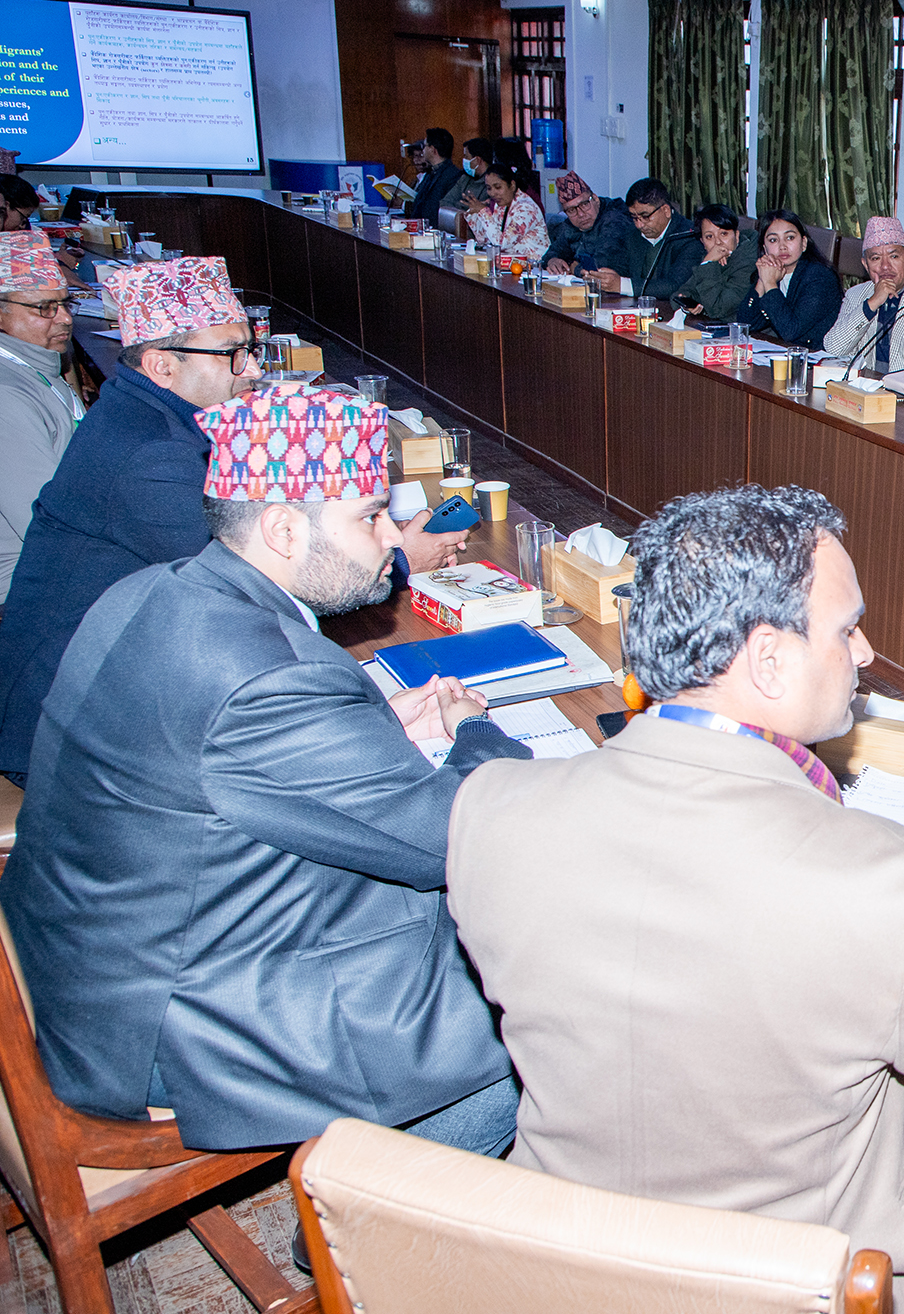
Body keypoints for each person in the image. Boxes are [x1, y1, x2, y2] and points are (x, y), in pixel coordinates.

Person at [447, 483, 904, 1312]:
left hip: (558, 1270)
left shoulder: (489, 810)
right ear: (767, 659)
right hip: (789, 1284)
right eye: (846, 628)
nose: (865, 652)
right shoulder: (893, 881)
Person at [0, 383, 528, 1154]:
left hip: (95, 960)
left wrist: (376, 731)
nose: (389, 538)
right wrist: (476, 729)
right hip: (167, 1022)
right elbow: (456, 839)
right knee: (538, 993)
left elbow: (218, 772)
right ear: (283, 528)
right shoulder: (265, 674)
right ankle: (357, 1238)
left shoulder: (153, 589)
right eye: (369, 516)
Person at [0, 257, 463, 785]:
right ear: (161, 366)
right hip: (72, 733)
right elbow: (264, 582)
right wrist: (400, 557)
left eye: (251, 349)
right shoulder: (150, 457)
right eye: (232, 355)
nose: (252, 370)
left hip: (121, 684)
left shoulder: (145, 413)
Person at [0, 233, 86, 605]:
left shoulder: (36, 363)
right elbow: (46, 526)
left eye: (65, 304)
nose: (64, 319)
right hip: (29, 580)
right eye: (44, 308)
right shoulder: (7, 397)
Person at [823, 216, 904, 375]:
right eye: (876, 258)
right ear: (865, 264)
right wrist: (871, 304)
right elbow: (833, 350)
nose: (885, 266)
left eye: (894, 256)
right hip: (862, 390)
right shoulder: (855, 295)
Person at [735, 209, 842, 348]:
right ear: (765, 249)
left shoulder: (820, 277)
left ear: (803, 243)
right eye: (773, 240)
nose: (782, 246)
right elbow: (746, 324)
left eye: (790, 238)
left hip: (820, 358)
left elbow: (791, 330)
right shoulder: (773, 272)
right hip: (789, 354)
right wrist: (762, 281)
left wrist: (770, 284)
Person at [616, 178, 703, 300]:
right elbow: (621, 269)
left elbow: (675, 286)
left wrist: (621, 285)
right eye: (634, 217)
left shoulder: (689, 236)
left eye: (645, 217)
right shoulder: (632, 233)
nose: (639, 225)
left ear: (666, 211)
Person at [542, 171, 636, 283]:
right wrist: (553, 260)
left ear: (595, 199)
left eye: (584, 204)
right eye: (572, 210)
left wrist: (574, 268)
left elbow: (601, 269)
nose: (580, 214)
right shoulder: (570, 224)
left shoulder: (614, 219)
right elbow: (552, 252)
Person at [673, 203, 759, 320]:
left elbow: (718, 309)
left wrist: (708, 264)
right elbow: (679, 295)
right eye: (709, 237)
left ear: (737, 236)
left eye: (724, 234)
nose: (718, 242)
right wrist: (687, 305)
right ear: (702, 242)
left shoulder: (748, 262)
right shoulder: (713, 258)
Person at [462, 163, 549, 262]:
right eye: (489, 188)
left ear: (512, 185)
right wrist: (474, 214)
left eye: (498, 187)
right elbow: (486, 240)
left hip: (535, 269)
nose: (492, 193)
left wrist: (484, 212)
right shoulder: (501, 205)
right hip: (514, 266)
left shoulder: (526, 208)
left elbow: (501, 243)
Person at [409, 128, 465, 224]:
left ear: (433, 150)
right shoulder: (430, 173)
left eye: (425, 146)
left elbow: (444, 210)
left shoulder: (453, 176)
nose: (423, 150)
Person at [455, 137, 494, 211]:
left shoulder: (492, 182)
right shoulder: (464, 179)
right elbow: (446, 202)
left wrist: (459, 205)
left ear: (477, 160)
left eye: (466, 157)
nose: (464, 160)